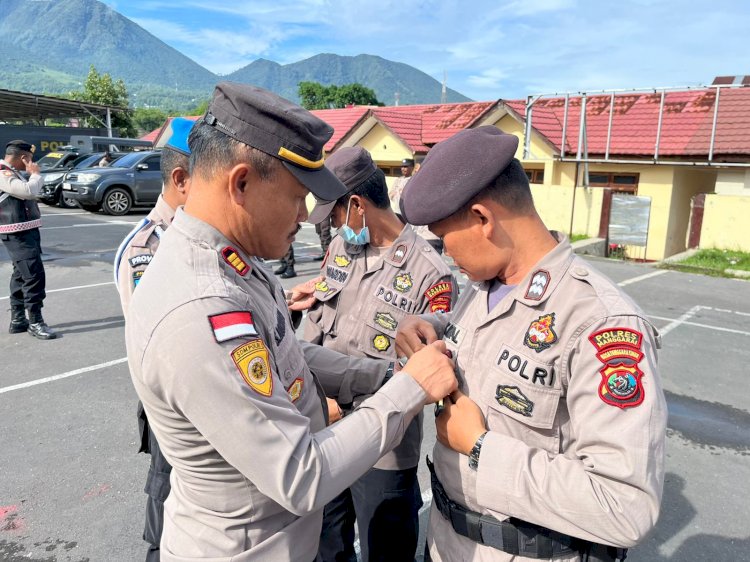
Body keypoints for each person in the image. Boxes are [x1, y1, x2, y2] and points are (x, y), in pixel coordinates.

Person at [125, 82, 458, 561]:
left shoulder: (236, 264)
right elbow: (299, 476)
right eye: (298, 196)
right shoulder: (201, 307)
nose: (305, 217)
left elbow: (288, 353)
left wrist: (386, 375)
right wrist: (409, 390)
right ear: (241, 184)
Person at [396, 126, 667, 562]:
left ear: (483, 220)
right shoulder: (487, 285)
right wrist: (428, 325)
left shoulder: (600, 323)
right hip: (446, 542)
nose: (447, 258)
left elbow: (625, 506)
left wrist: (482, 447)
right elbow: (489, 332)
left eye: (445, 241)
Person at [302, 146, 458, 562]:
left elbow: (421, 370)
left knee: (385, 552)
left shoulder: (431, 274)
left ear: (357, 205)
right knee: (326, 546)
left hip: (384, 445)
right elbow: (312, 330)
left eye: (334, 215)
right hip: (328, 430)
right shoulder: (341, 249)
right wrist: (321, 400)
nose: (334, 226)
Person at [114, 117, 194, 562]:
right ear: (181, 181)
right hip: (172, 402)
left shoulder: (195, 238)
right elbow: (162, 339)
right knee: (166, 496)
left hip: (203, 399)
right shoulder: (149, 248)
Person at [0, 140, 57, 339]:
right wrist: (35, 173)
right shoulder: (2, 172)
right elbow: (28, 191)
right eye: (29, 158)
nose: (31, 162)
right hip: (17, 233)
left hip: (26, 231)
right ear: (23, 157)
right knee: (33, 275)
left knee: (21, 274)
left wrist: (32, 176)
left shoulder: (12, 173)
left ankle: (18, 320)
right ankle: (35, 321)